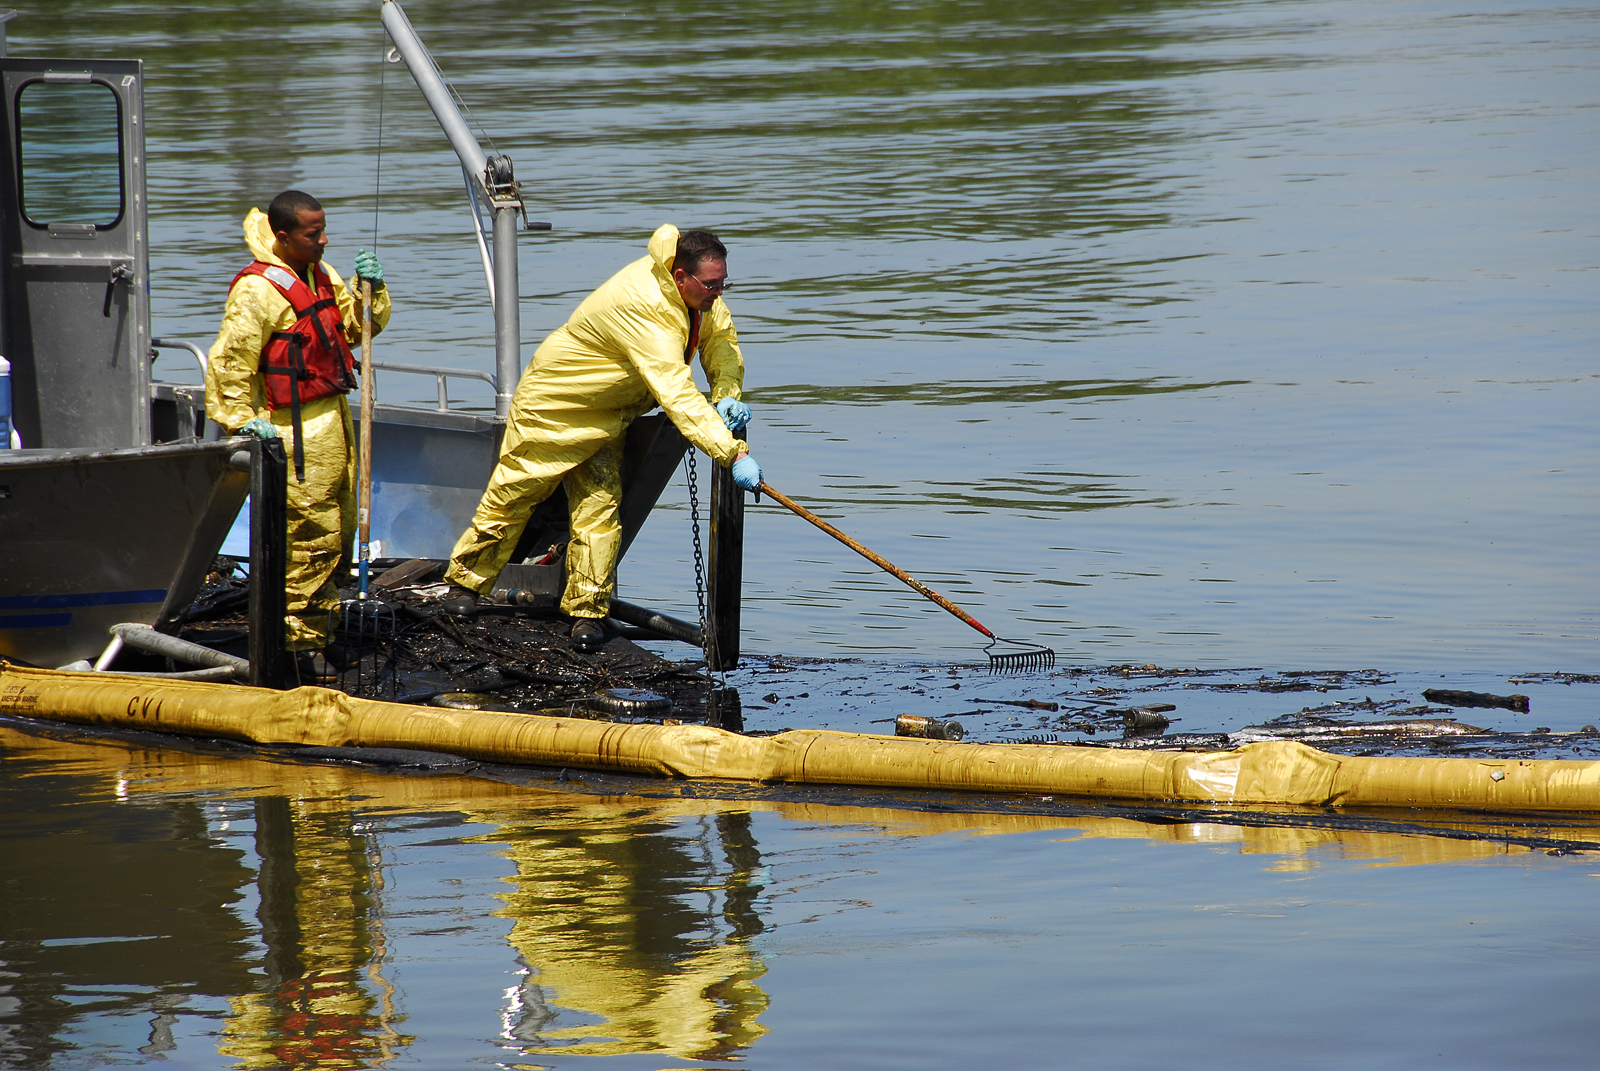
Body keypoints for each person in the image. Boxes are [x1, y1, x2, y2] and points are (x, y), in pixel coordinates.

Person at [444, 224, 762, 652]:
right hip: (555, 406)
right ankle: (465, 584)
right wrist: (731, 453)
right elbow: (675, 391)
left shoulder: (700, 300)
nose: (719, 292)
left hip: (610, 413)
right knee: (515, 493)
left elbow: (720, 341)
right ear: (680, 276)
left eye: (724, 282)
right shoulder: (646, 304)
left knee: (601, 508)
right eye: (711, 284)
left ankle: (585, 613)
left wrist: (726, 395)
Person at [205, 190, 391, 677]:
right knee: (309, 535)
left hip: (333, 419)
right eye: (314, 234)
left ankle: (322, 627)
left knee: (340, 529)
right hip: (292, 430)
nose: (324, 241)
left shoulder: (321, 275)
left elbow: (355, 330)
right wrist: (240, 418)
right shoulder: (257, 290)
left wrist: (371, 288)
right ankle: (295, 643)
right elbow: (231, 360)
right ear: (284, 236)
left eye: (324, 230)